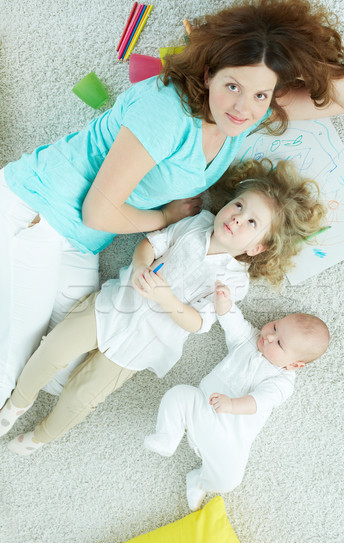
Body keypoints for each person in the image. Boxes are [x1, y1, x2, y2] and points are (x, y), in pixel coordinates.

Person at [0, 0, 344, 406]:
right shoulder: (167, 114)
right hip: (37, 212)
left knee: (61, 372)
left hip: (84, 237)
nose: (243, 107)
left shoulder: (249, 114)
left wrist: (288, 49)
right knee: (13, 365)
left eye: (260, 95)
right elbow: (98, 209)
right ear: (210, 72)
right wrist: (163, 218)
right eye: (233, 85)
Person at [0, 158, 326, 455]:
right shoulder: (196, 224)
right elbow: (149, 243)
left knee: (80, 398)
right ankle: (17, 402)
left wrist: (168, 300)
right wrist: (142, 266)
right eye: (239, 206)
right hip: (113, 305)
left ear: (256, 247)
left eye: (252, 222)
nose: (238, 218)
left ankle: (41, 436)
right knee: (52, 349)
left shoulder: (234, 280)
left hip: (143, 344)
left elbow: (198, 323)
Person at [144, 282, 330, 511]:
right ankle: (167, 436)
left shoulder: (282, 381)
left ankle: (200, 480)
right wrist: (224, 303)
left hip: (230, 439)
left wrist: (232, 405)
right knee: (177, 394)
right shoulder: (248, 339)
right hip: (202, 405)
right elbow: (234, 323)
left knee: (230, 480)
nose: (269, 337)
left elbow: (260, 401)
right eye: (274, 327)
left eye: (279, 343)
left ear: (294, 364)